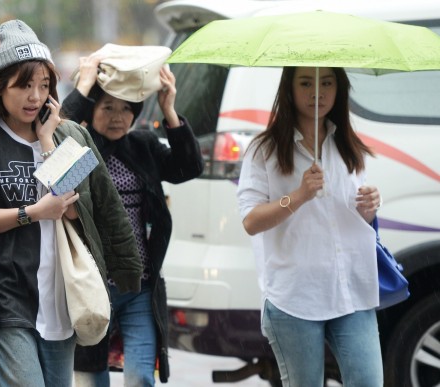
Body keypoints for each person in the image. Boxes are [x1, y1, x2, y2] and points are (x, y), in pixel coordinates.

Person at [0, 19, 142, 387]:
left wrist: (46, 140)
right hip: (4, 295)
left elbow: (76, 209)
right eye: (24, 85)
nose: (35, 97)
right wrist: (32, 213)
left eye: (43, 86)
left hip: (61, 296)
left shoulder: (72, 135)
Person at [61, 52, 204, 386]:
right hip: (93, 287)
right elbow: (60, 178)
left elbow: (188, 167)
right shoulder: (83, 150)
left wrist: (169, 109)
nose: (118, 117)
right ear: (92, 108)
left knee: (141, 378)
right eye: (107, 107)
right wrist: (82, 88)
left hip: (140, 285)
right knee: (91, 378)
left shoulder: (142, 146)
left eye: (126, 108)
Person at [236, 66, 384, 386]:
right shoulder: (265, 149)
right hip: (295, 297)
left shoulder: (348, 145)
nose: (317, 92)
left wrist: (369, 207)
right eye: (306, 83)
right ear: (288, 89)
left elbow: (350, 218)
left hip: (351, 291)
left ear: (338, 89)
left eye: (327, 82)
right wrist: (299, 196)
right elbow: (250, 221)